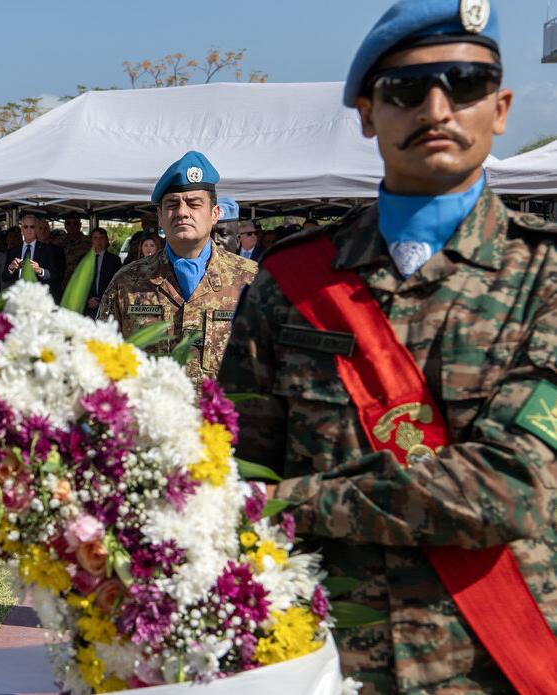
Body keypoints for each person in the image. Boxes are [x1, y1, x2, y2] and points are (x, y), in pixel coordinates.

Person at [218, 2, 557, 693]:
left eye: (464, 83)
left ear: (501, 106)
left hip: (496, 660)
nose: (436, 107)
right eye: (406, 90)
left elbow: (511, 487)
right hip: (321, 660)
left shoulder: (546, 275)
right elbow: (233, 465)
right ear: (368, 112)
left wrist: (290, 501)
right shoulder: (289, 283)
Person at [98, 151, 257, 382]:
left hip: (222, 417)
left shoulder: (249, 279)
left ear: (214, 214)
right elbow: (102, 364)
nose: (182, 212)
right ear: (160, 217)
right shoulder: (127, 282)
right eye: (172, 205)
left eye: (194, 203)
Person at [2, 213, 61, 295]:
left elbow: (55, 276)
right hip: (18, 296)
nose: (29, 230)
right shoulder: (13, 251)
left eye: (32, 227)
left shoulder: (48, 250)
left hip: (38, 297)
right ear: (22, 229)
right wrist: (11, 268)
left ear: (36, 229)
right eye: (26, 227)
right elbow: (4, 277)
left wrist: (40, 271)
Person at [85, 227, 121, 318]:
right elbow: (80, 283)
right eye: (95, 238)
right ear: (91, 240)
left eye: (102, 238)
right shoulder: (83, 260)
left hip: (107, 305)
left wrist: (101, 300)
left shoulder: (114, 260)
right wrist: (88, 300)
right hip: (87, 306)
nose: (99, 241)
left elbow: (116, 283)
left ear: (106, 240)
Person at [35, 216, 67, 300]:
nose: (43, 231)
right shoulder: (30, 248)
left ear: (49, 231)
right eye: (40, 228)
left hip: (52, 294)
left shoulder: (58, 250)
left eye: (45, 228)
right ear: (36, 231)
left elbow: (60, 274)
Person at [60, 213, 92, 280]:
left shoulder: (89, 242)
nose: (72, 226)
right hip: (62, 285)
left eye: (75, 223)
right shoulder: (58, 242)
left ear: (80, 225)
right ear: (65, 226)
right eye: (68, 223)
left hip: (82, 283)